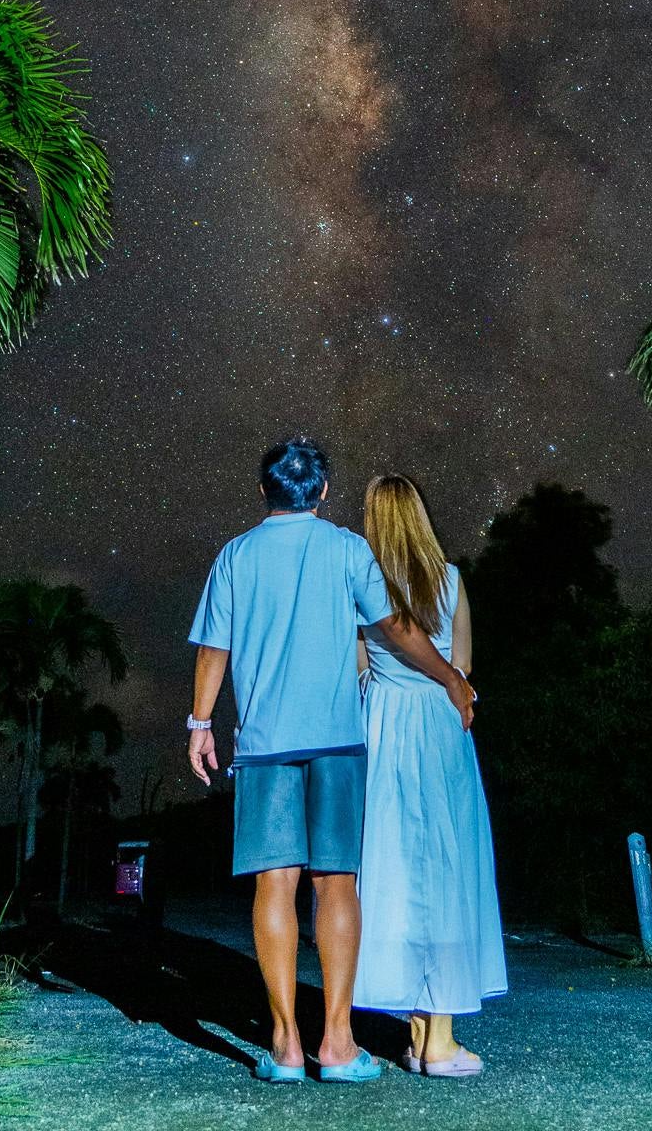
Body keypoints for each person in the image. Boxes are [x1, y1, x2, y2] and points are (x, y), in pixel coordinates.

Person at [188, 437, 475, 1084]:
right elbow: (395, 628)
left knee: (273, 883)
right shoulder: (347, 549)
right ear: (320, 492)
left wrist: (199, 723)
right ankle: (338, 1045)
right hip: (337, 742)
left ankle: (286, 1046)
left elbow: (212, 647)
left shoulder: (235, 555)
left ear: (263, 491)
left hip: (265, 744)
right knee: (335, 883)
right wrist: (449, 678)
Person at [353, 473, 508, 1076]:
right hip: (442, 727)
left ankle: (420, 1030)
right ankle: (435, 1038)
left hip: (386, 728)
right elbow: (461, 666)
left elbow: (359, 668)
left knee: (394, 870)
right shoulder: (450, 580)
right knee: (446, 865)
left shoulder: (364, 584)